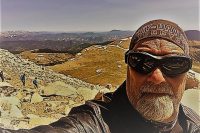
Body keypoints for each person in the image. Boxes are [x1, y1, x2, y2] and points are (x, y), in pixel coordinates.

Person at [0, 19, 199, 133]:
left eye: (174, 64)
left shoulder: (192, 123)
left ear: (186, 72)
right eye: (142, 62)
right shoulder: (96, 121)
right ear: (128, 67)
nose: (157, 77)